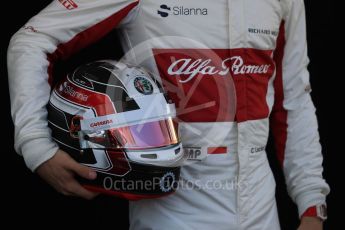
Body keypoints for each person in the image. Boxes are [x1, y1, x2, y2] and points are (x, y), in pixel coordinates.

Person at [7, 0, 329, 229]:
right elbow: (34, 39)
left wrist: (312, 205)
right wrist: (36, 145)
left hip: (263, 214)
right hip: (171, 216)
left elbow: (295, 102)